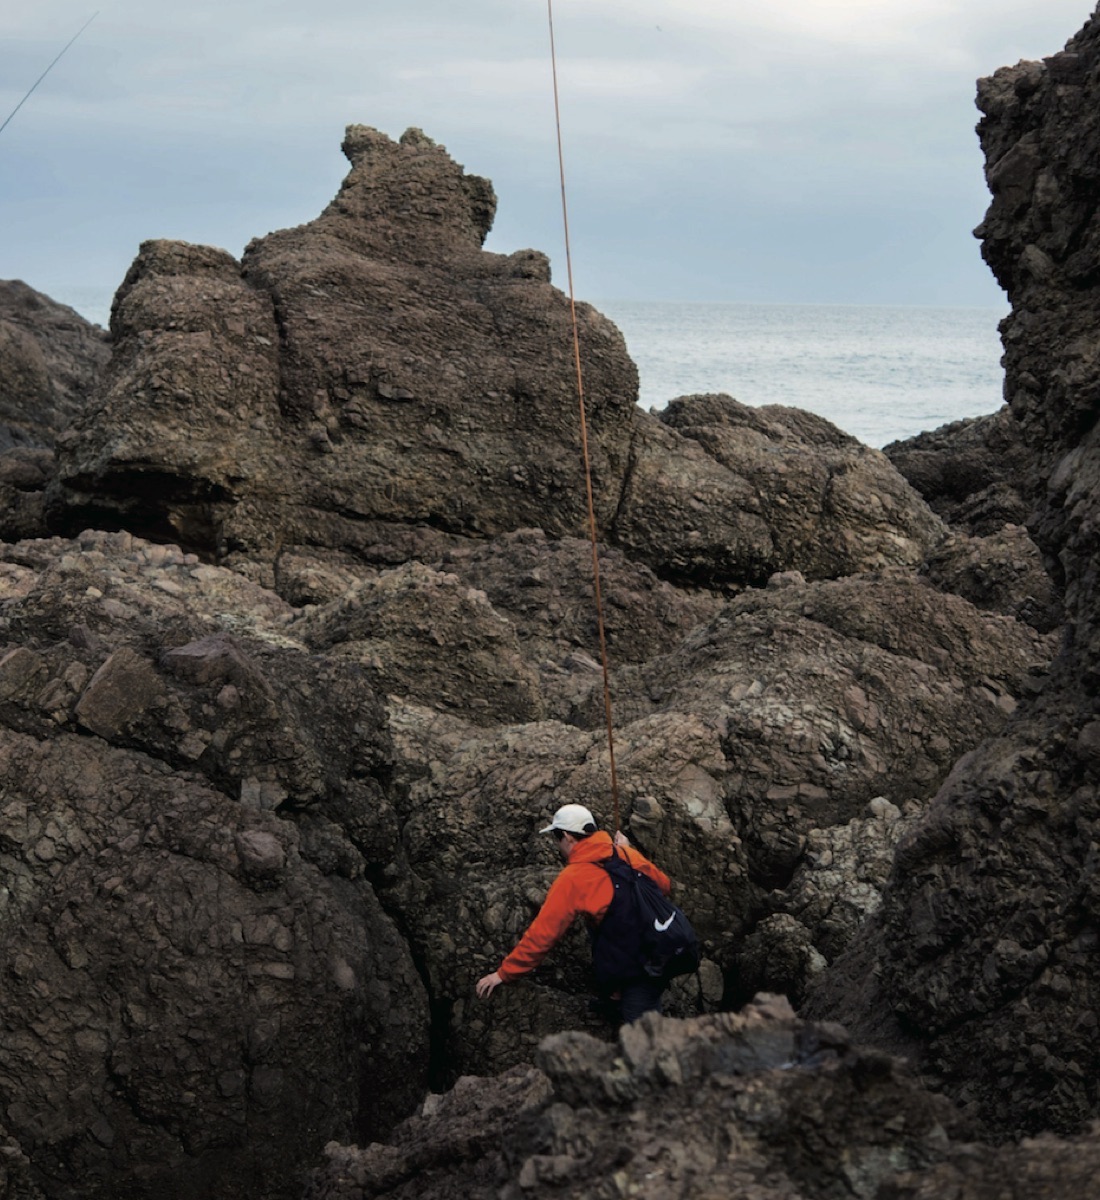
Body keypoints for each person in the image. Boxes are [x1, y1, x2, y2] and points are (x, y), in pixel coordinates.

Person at [475, 802, 674, 1023]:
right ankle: (616, 997)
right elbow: (664, 886)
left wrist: (503, 973)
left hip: (640, 969)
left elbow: (543, 934)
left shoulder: (573, 879)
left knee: (644, 1036)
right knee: (602, 922)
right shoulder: (625, 854)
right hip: (659, 944)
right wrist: (629, 852)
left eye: (557, 837)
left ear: (568, 837)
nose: (557, 844)